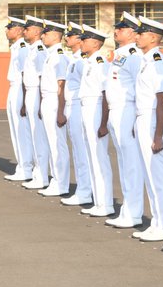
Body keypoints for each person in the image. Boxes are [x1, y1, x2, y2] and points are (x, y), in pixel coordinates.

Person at [133, 16, 163, 242]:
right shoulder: (146, 60)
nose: (137, 36)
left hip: (153, 121)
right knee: (149, 174)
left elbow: (161, 101)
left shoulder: (158, 61)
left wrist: (158, 135)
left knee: (158, 174)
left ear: (152, 37)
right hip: (143, 119)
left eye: (141, 33)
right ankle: (157, 221)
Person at [104, 12, 144, 228]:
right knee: (123, 162)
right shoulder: (120, 54)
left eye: (121, 28)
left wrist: (136, 119)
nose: (116, 31)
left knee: (131, 165)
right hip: (116, 111)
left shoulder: (133, 55)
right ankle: (128, 209)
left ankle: (134, 212)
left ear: (132, 32)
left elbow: (140, 88)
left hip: (127, 111)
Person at [78, 25, 115, 218]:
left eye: (84, 40)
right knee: (91, 156)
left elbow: (105, 93)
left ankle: (106, 202)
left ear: (95, 43)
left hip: (96, 108)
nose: (81, 42)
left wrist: (103, 123)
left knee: (99, 158)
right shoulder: (90, 62)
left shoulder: (100, 63)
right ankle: (99, 201)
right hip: (87, 108)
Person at [60, 22, 92, 207]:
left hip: (80, 106)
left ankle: (85, 191)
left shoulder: (82, 61)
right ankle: (83, 189)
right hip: (73, 107)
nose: (67, 39)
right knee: (78, 152)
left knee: (82, 152)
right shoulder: (74, 59)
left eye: (70, 36)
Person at [37, 20, 71, 198]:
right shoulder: (50, 54)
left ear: (56, 35)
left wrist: (60, 111)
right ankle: (56, 180)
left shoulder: (58, 55)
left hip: (55, 101)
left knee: (58, 144)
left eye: (46, 33)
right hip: (48, 100)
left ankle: (61, 183)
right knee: (51, 143)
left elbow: (61, 84)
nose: (42, 36)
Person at [4, 17, 35, 182]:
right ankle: (22, 166)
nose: (6, 30)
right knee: (15, 130)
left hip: (20, 89)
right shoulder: (16, 46)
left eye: (10, 27)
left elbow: (25, 73)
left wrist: (23, 100)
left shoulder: (22, 47)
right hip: (13, 87)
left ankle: (26, 167)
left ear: (18, 30)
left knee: (21, 130)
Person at [20, 16, 49, 190]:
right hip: (31, 92)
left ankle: (42, 175)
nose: (25, 31)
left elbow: (40, 76)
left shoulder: (39, 49)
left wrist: (40, 101)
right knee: (33, 135)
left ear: (37, 31)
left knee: (39, 137)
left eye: (28, 29)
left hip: (37, 92)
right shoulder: (32, 49)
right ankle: (38, 173)